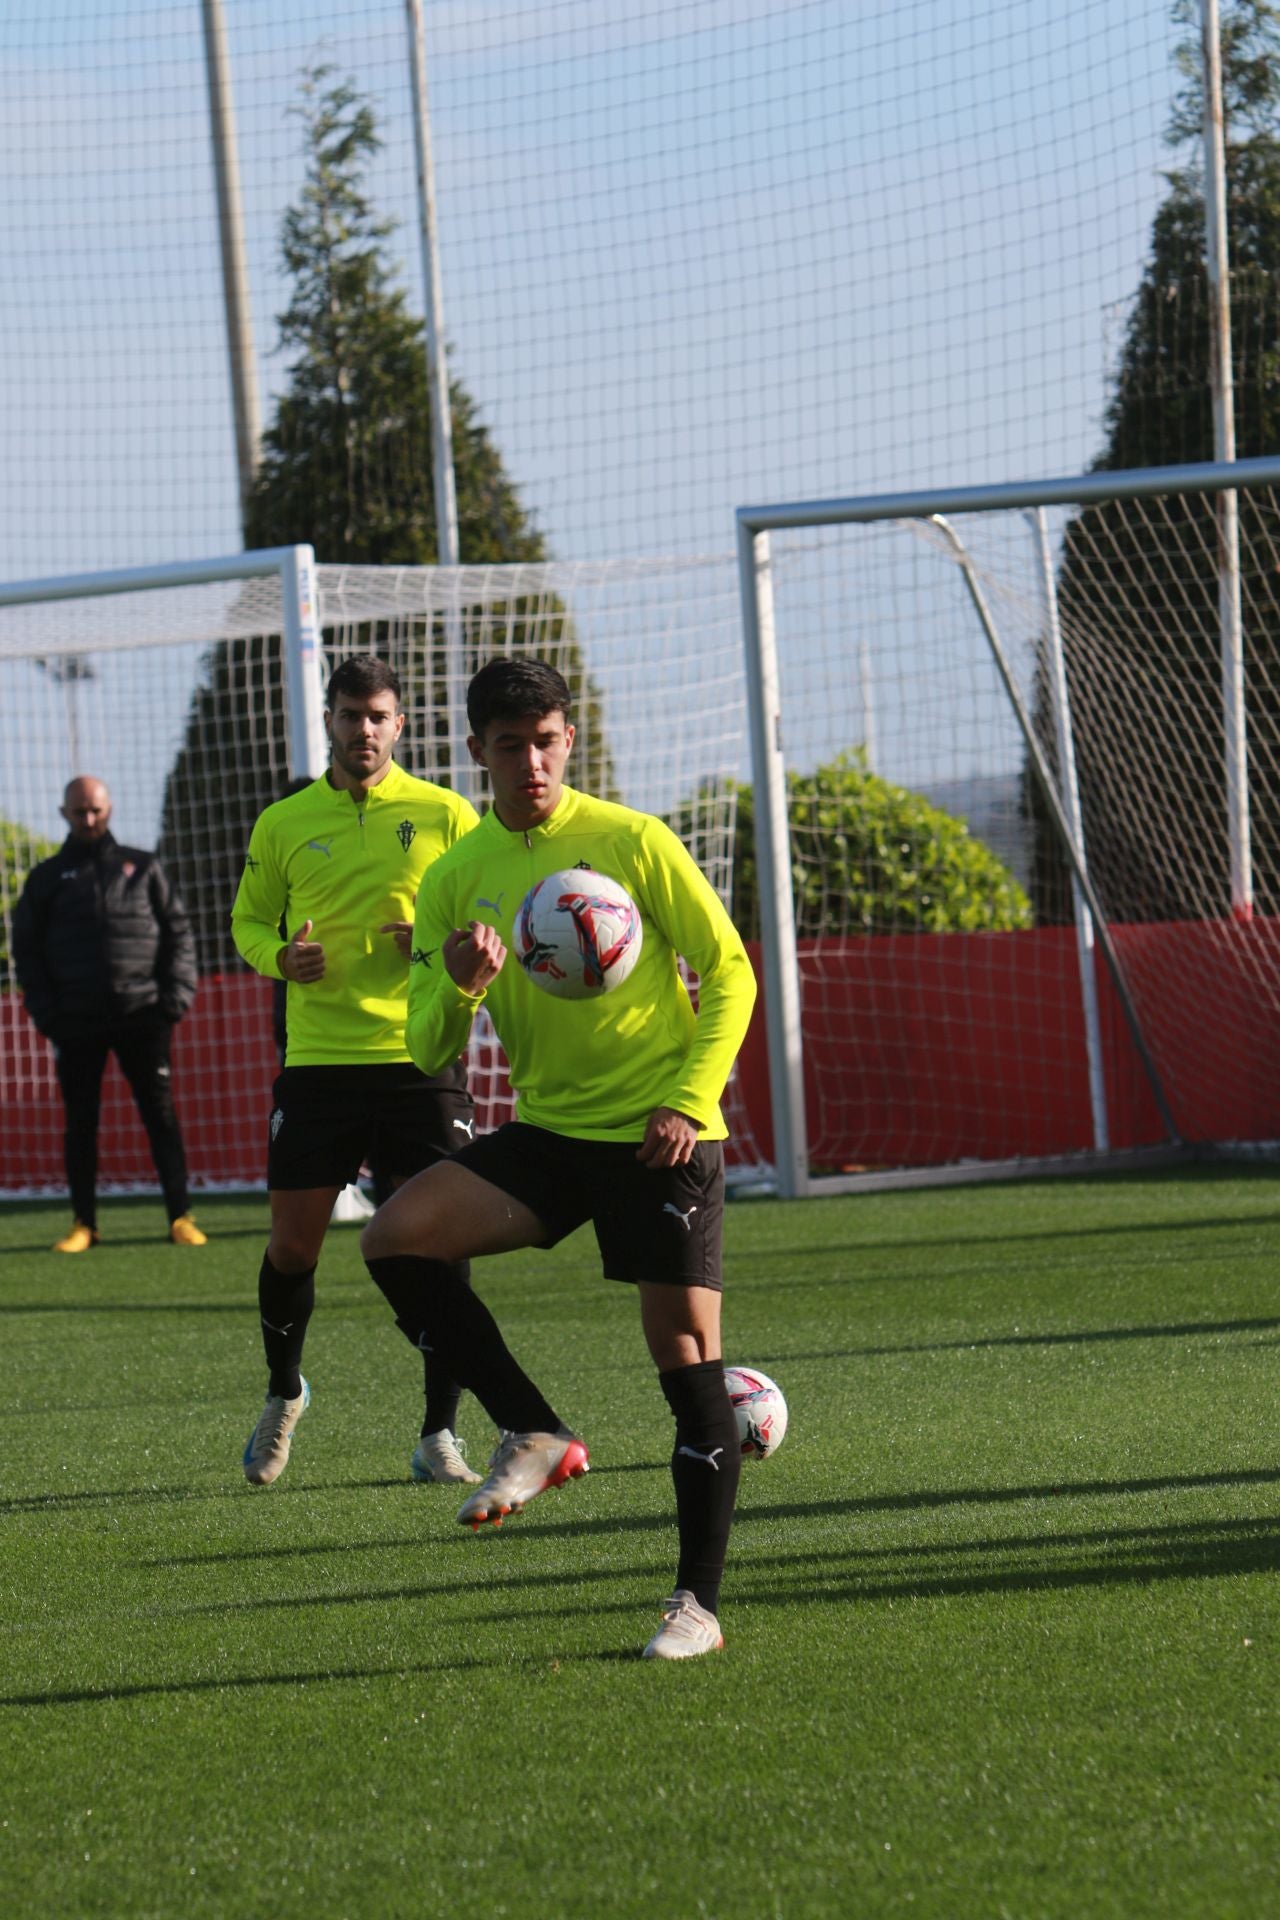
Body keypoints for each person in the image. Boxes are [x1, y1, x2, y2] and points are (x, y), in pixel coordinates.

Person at [360, 656, 758, 1661]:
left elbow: (730, 970)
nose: (530, 763)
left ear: (567, 740)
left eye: (544, 742)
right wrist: (452, 984)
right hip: (550, 1134)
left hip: (660, 1136)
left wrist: (688, 1098)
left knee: (683, 1361)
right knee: (396, 1238)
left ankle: (693, 1608)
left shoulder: (631, 840)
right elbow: (425, 1050)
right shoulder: (453, 878)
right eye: (508, 747)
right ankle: (532, 1431)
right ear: (475, 754)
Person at [231, 653, 483, 1490]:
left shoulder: (447, 813)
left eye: (379, 716)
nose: (363, 730)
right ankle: (282, 1392)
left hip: (422, 1060)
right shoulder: (284, 821)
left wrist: (438, 943)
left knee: (440, 1250)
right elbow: (246, 922)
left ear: (399, 724)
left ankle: (438, 1433)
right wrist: (280, 957)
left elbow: (487, 918)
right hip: (320, 1067)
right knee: (293, 1246)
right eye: (350, 715)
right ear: (330, 720)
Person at [13, 775, 205, 1252]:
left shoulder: (143, 868)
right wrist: (47, 1015)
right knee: (80, 1121)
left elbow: (179, 933)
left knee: (161, 1116)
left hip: (144, 1014)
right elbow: (27, 954)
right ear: (65, 814)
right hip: (75, 1021)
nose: (89, 819)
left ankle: (180, 1216)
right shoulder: (46, 879)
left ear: (110, 808)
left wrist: (174, 998)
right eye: (80, 812)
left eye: (96, 810)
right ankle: (84, 1224)